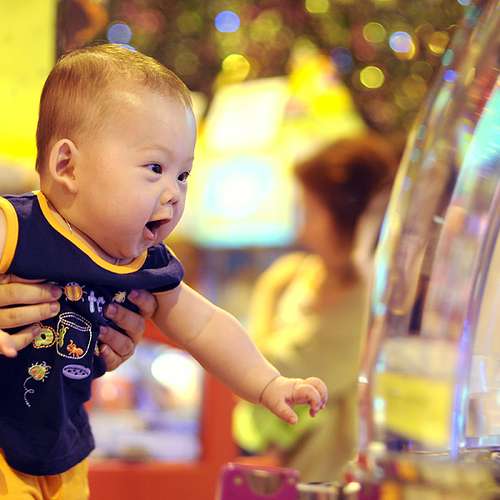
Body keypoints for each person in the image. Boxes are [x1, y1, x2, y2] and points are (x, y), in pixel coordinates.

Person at [0, 44, 327, 498]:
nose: (174, 193)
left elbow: (206, 325)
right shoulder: (18, 227)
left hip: (63, 454)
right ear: (67, 166)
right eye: (155, 168)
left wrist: (268, 383)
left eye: (183, 175)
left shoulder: (145, 263)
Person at [233, 133, 398, 482]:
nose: (302, 230)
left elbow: (260, 381)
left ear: (349, 221)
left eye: (309, 212)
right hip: (294, 478)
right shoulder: (302, 277)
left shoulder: (367, 305)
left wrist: (267, 294)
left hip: (337, 483)